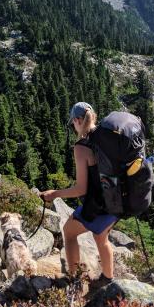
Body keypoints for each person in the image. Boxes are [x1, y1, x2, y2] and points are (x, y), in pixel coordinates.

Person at [40, 102, 118, 286]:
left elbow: (81, 189)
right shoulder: (107, 137)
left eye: (73, 123)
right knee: (101, 237)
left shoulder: (82, 146)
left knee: (68, 231)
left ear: (76, 120)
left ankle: (73, 278)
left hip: (98, 204)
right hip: (116, 199)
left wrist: (55, 193)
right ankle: (108, 278)